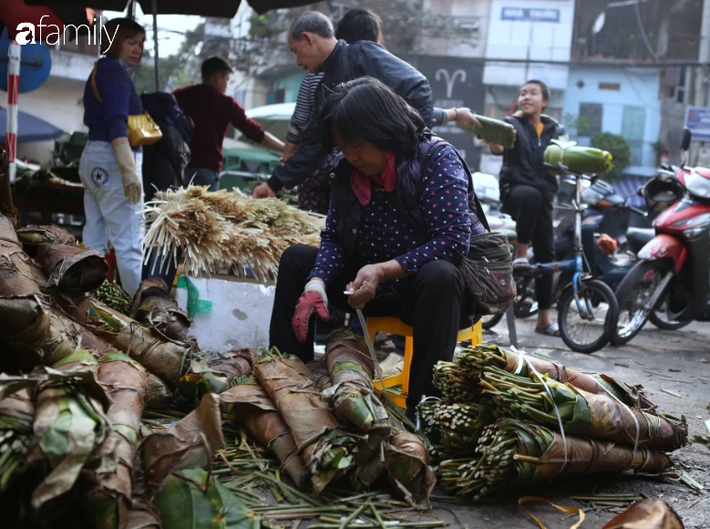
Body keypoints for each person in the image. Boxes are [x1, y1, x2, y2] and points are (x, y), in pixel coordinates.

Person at [269, 77, 486, 414]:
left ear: (383, 130)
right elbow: (335, 237)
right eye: (342, 146)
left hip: (421, 296)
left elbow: (453, 240)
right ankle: (287, 384)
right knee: (298, 259)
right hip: (364, 288)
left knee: (441, 275)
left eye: (356, 144)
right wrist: (318, 281)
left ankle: (424, 408)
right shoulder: (346, 171)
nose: (350, 155)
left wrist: (382, 271)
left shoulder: (436, 159)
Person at [252, 11, 478, 200]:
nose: (297, 61)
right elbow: (314, 141)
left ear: (309, 39)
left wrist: (402, 146)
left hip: (401, 171)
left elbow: (416, 84)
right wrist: (274, 183)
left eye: (295, 50)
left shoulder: (362, 54)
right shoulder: (325, 85)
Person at [485, 80, 566, 336]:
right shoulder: (511, 124)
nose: (526, 97)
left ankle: (543, 319)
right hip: (514, 190)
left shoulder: (555, 129)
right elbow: (498, 147)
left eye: (532, 93)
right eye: (522, 93)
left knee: (546, 255)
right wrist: (491, 139)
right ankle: (521, 254)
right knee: (530, 197)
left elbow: (564, 158)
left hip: (544, 196)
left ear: (545, 101)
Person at [79, 17, 145, 297]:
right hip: (113, 158)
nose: (137, 49)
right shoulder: (116, 74)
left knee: (94, 237)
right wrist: (129, 171)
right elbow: (117, 123)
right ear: (114, 42)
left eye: (141, 44)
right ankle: (142, 314)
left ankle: (81, 299)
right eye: (131, 42)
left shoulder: (98, 70)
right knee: (129, 240)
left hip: (93, 157)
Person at [174, 57, 285, 191]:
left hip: (180, 168)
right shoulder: (226, 103)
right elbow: (254, 132)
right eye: (226, 80)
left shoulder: (180, 95)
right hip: (207, 171)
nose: (227, 85)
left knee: (180, 210)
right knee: (205, 211)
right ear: (217, 77)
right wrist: (285, 149)